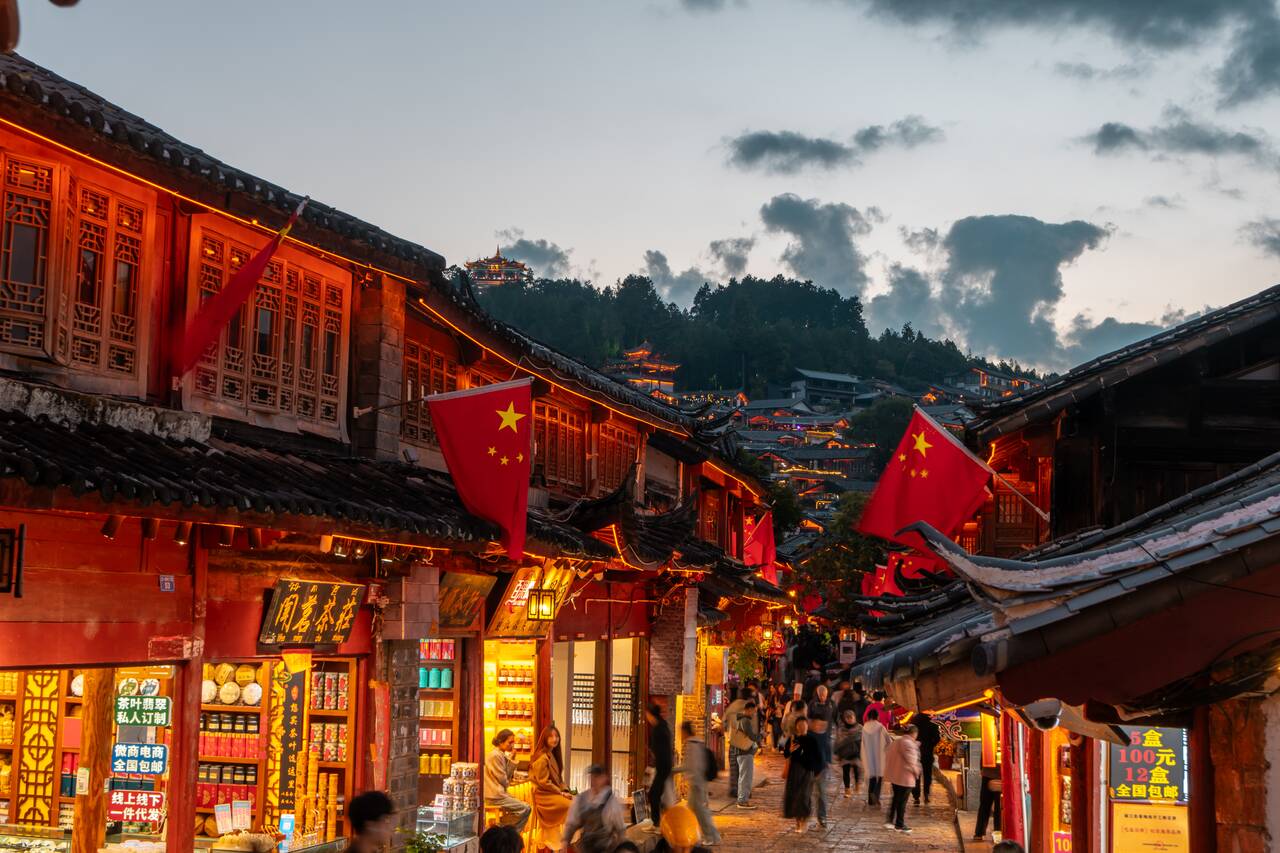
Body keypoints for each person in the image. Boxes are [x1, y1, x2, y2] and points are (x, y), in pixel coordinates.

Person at [563, 764, 626, 853]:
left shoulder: (611, 800)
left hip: (605, 848)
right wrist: (566, 841)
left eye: (597, 777)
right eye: (592, 777)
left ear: (604, 778)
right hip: (586, 847)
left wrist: (621, 846)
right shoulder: (582, 798)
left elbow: (619, 828)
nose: (594, 780)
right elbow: (572, 823)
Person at [530, 725, 574, 850]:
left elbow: (559, 779)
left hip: (551, 793)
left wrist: (565, 790)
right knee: (571, 806)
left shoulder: (552, 754)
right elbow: (544, 782)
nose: (555, 739)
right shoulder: (542, 757)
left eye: (556, 736)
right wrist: (561, 793)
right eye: (551, 736)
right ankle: (560, 843)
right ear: (545, 738)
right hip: (544, 796)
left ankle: (565, 842)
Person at [678, 721, 721, 845]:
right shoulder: (698, 742)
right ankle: (696, 835)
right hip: (698, 782)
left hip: (697, 783)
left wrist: (672, 770)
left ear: (685, 731)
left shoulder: (691, 744)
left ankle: (711, 836)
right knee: (693, 810)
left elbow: (691, 765)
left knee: (702, 812)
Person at [782, 716, 824, 834]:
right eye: (799, 724)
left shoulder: (812, 739)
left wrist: (817, 771)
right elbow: (785, 755)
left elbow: (818, 756)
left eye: (804, 724)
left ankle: (803, 820)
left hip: (808, 771)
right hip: (794, 771)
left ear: (807, 725)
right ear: (796, 726)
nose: (802, 726)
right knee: (794, 796)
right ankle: (798, 821)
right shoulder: (792, 739)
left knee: (804, 796)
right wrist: (789, 750)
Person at [486, 729, 532, 831]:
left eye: (513, 742)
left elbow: (506, 777)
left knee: (525, 808)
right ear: (501, 742)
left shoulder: (500, 754)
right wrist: (507, 783)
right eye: (510, 742)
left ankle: (501, 828)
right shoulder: (495, 755)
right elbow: (503, 779)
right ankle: (502, 828)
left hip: (498, 794)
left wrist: (512, 758)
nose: (512, 745)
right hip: (494, 796)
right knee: (525, 808)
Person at [882, 724, 922, 834]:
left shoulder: (896, 742)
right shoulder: (909, 744)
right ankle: (899, 824)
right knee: (902, 802)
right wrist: (917, 771)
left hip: (895, 776)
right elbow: (912, 761)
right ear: (914, 733)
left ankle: (890, 820)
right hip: (905, 778)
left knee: (896, 799)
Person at [806, 685, 834, 827]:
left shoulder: (826, 737)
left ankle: (821, 817)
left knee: (821, 793)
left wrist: (826, 764)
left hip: (821, 768)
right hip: (809, 767)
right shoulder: (808, 736)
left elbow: (827, 752)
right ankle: (804, 815)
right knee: (807, 793)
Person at [646, 702, 675, 825]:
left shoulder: (658, 729)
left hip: (662, 766)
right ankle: (659, 821)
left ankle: (657, 823)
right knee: (658, 794)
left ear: (650, 714)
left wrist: (652, 765)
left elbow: (658, 750)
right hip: (665, 766)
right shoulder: (662, 725)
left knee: (654, 794)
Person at [730, 698, 761, 809]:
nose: (754, 713)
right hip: (745, 751)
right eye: (754, 710)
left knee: (743, 777)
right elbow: (751, 736)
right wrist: (761, 736)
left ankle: (742, 799)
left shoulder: (739, 719)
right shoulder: (745, 720)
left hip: (740, 751)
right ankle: (743, 801)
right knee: (746, 777)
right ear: (749, 709)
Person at [722, 686, 751, 798]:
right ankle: (744, 791)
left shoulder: (733, 706)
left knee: (734, 768)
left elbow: (724, 722)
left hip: (734, 741)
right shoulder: (750, 708)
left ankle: (734, 789)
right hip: (746, 744)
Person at [861, 708, 891, 806]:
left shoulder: (864, 727)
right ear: (877, 716)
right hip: (880, 754)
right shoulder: (880, 727)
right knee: (880, 776)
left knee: (872, 777)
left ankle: (870, 799)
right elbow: (888, 740)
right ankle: (876, 795)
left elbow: (863, 743)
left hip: (868, 755)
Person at [912, 712, 941, 805]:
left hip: (916, 752)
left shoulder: (914, 722)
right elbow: (937, 738)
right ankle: (926, 793)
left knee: (916, 775)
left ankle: (916, 796)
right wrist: (931, 744)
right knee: (927, 775)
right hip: (928, 752)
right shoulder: (932, 723)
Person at [834, 708, 862, 797]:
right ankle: (847, 790)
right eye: (848, 717)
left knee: (856, 770)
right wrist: (837, 752)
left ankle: (857, 784)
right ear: (845, 718)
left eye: (851, 717)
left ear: (854, 718)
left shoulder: (859, 728)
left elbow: (864, 741)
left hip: (856, 753)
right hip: (845, 754)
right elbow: (838, 741)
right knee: (846, 772)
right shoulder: (841, 729)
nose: (849, 719)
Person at [973, 763, 1003, 841]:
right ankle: (998, 833)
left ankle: (979, 833)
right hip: (999, 774)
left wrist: (982, 769)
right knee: (998, 807)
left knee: (985, 805)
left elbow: (983, 756)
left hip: (988, 773)